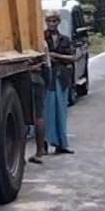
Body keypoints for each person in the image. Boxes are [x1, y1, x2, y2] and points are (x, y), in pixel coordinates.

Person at [42, 10, 76, 155]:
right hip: (47, 78)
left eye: (54, 21)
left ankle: (61, 144)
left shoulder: (65, 39)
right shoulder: (41, 38)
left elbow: (72, 57)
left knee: (61, 112)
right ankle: (43, 144)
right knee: (46, 112)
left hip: (61, 78)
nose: (51, 23)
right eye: (49, 21)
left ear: (58, 22)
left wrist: (55, 55)